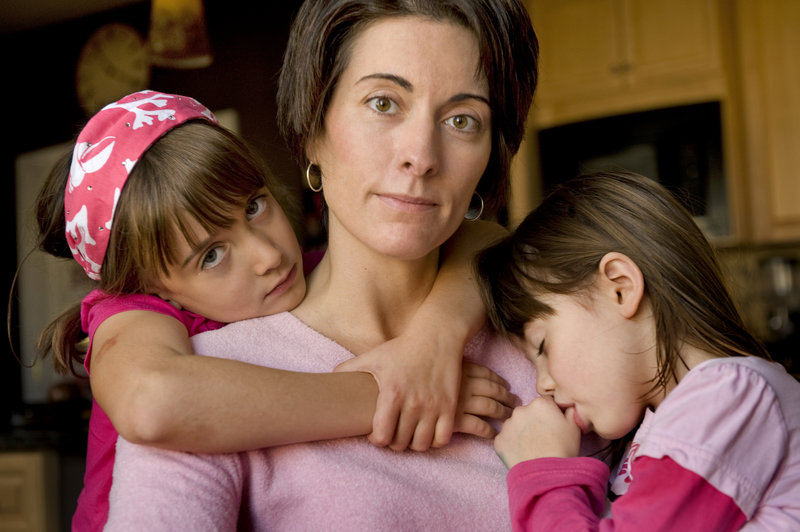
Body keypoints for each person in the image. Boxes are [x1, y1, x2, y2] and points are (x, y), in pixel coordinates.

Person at [103, 0, 541, 529]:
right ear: (313, 128)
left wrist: (437, 339)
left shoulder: (551, 333)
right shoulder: (210, 389)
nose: (421, 155)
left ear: (490, 156)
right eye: (383, 103)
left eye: (462, 119)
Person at [35, 90, 515, 531]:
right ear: (157, 290)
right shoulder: (133, 311)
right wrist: (394, 394)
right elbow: (152, 402)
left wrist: (429, 345)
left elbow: (484, 237)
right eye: (211, 256)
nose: (266, 255)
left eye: (254, 208)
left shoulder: (303, 279)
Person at [477, 171, 800, 530]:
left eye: (542, 346)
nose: (543, 385)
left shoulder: (730, 398)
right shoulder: (661, 424)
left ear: (620, 288)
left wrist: (541, 469)